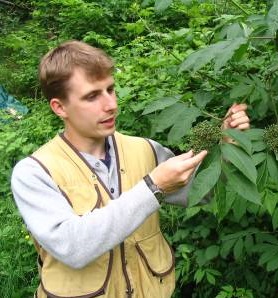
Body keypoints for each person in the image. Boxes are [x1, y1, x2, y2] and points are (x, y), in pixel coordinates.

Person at [11, 40, 250, 298]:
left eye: (110, 89)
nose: (110, 104)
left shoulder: (144, 149)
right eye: (92, 96)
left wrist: (229, 148)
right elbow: (72, 247)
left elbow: (204, 192)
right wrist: (153, 188)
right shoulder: (35, 173)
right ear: (60, 107)